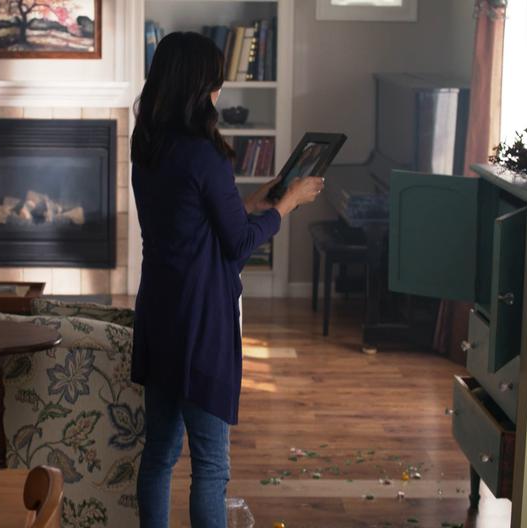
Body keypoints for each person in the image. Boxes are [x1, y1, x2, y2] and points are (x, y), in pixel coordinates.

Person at [130, 32, 325, 528]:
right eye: (215, 82)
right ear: (201, 86)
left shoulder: (147, 144)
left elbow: (190, 223)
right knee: (211, 467)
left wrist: (254, 202)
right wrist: (287, 203)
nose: (220, 91)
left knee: (159, 454)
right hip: (201, 321)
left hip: (158, 312)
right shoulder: (205, 153)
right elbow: (236, 244)